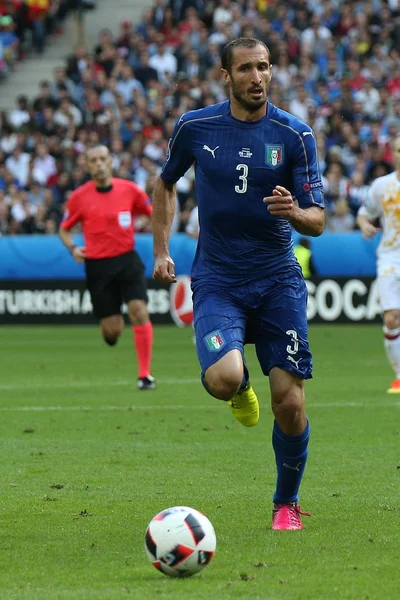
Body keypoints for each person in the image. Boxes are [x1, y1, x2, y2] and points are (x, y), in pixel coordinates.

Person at [152, 38, 325, 530]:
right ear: (225, 76)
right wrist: (162, 250)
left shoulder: (295, 135)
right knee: (225, 378)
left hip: (277, 280)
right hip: (219, 279)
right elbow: (165, 183)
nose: (257, 77)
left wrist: (296, 212)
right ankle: (240, 384)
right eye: (246, 68)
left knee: (289, 401)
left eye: (265, 66)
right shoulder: (195, 126)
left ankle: (285, 503)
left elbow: (318, 220)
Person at [59, 144, 155, 390]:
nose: (99, 164)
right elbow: (64, 228)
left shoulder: (130, 190)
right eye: (93, 160)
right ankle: (111, 329)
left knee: (139, 310)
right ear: (87, 166)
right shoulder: (79, 197)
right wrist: (73, 249)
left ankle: (145, 375)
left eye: (103, 158)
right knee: (113, 331)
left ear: (111, 162)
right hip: (98, 267)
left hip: (127, 260)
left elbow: (153, 212)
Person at [357, 135, 400, 394]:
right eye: (398, 149)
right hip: (390, 257)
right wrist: (365, 226)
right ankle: (399, 376)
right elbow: (364, 213)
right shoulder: (382, 186)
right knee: (392, 317)